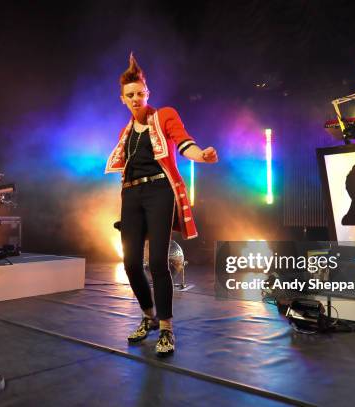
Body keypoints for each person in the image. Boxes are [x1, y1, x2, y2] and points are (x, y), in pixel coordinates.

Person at [105, 54, 218, 356]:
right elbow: (125, 167)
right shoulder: (125, 132)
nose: (136, 98)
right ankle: (147, 317)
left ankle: (166, 328)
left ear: (147, 93)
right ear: (122, 99)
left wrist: (201, 155)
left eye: (140, 93)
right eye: (130, 95)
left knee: (157, 262)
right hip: (130, 195)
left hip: (159, 191)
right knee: (130, 264)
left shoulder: (164, 115)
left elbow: (183, 142)